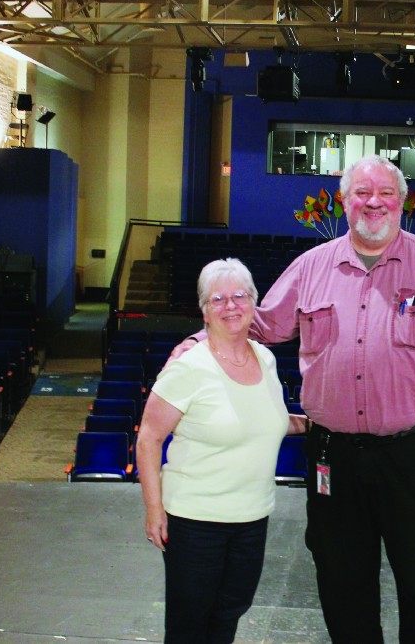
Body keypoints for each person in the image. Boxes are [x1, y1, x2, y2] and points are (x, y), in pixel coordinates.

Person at [173, 154, 415, 643]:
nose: (374, 203)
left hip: (412, 454)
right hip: (334, 458)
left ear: (402, 201)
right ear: (344, 202)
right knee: (341, 581)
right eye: (362, 195)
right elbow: (262, 324)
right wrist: (205, 338)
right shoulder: (311, 267)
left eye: (385, 194)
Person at [137, 257, 307, 644]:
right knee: (190, 624)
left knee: (229, 613)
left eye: (240, 296)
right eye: (218, 299)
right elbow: (148, 438)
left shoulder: (265, 359)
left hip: (251, 517)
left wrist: (319, 423)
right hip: (195, 520)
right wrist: (153, 509)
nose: (231, 306)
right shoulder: (188, 367)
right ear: (204, 310)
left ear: (254, 303)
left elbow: (272, 420)